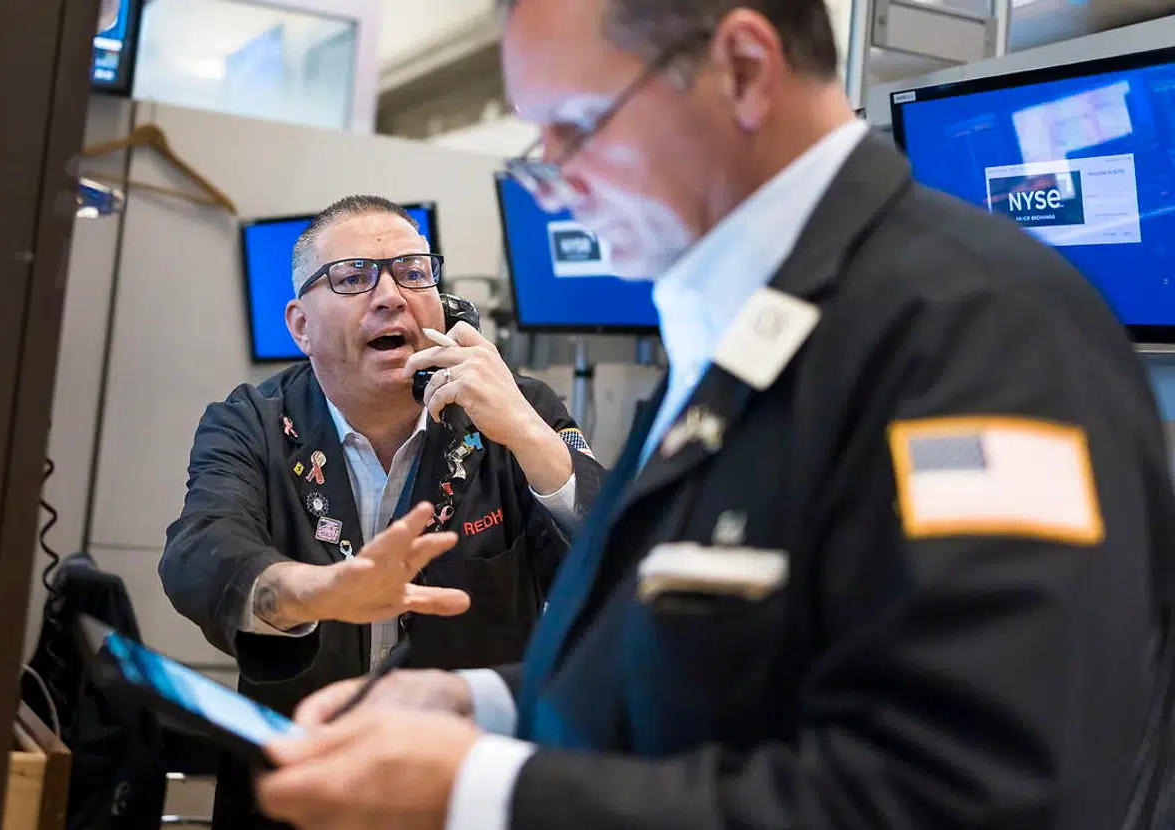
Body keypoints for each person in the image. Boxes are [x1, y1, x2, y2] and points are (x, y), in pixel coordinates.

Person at [249, 1, 1175, 829]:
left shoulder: (975, 331)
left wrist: (489, 792)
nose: (557, 183)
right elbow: (706, 659)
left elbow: (965, 791)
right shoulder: (738, 323)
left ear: (741, 68)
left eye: (578, 126)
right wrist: (481, 704)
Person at [159, 194, 606, 828]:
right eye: (353, 277)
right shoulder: (251, 422)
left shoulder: (514, 406)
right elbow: (200, 555)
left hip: (458, 792)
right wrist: (320, 591)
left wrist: (530, 436)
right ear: (300, 325)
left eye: (414, 272)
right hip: (298, 791)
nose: (392, 295)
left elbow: (619, 560)